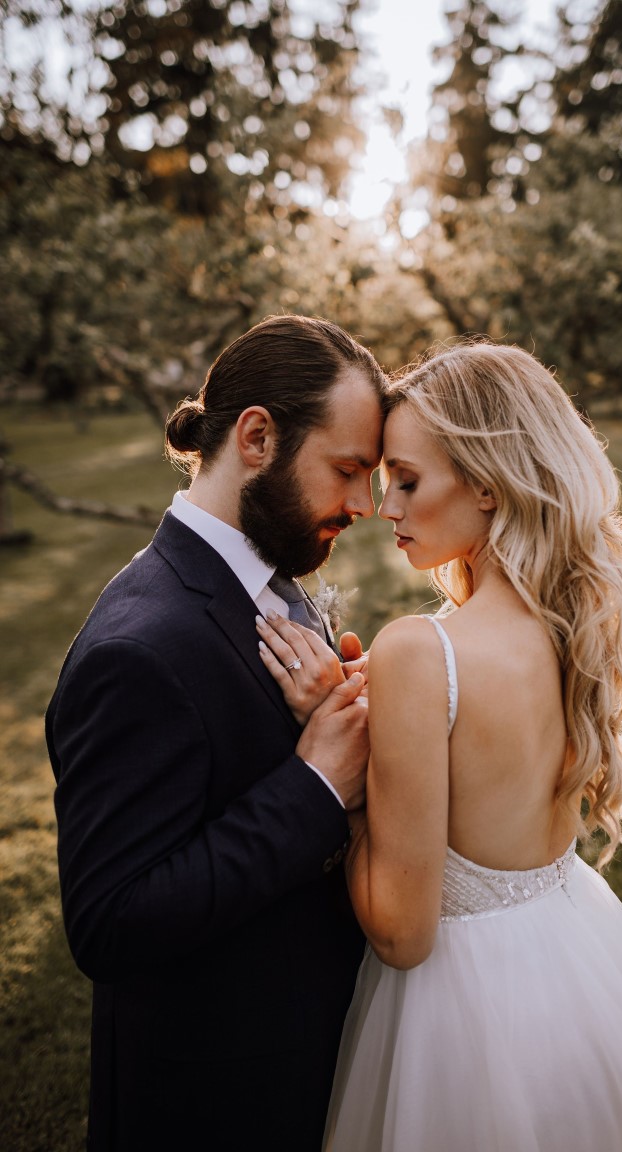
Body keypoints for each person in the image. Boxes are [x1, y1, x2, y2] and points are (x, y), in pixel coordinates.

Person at [259, 341, 622, 1151]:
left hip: (461, 1009)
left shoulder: (419, 652)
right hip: (579, 958)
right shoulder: (572, 623)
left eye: (406, 480)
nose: (387, 507)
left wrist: (350, 762)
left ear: (485, 481)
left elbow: (404, 936)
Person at [45, 314, 387, 1151]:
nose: (360, 506)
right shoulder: (139, 649)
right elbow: (110, 922)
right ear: (259, 436)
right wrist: (315, 786)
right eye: (346, 471)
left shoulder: (270, 573)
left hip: (304, 1053)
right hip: (213, 1092)